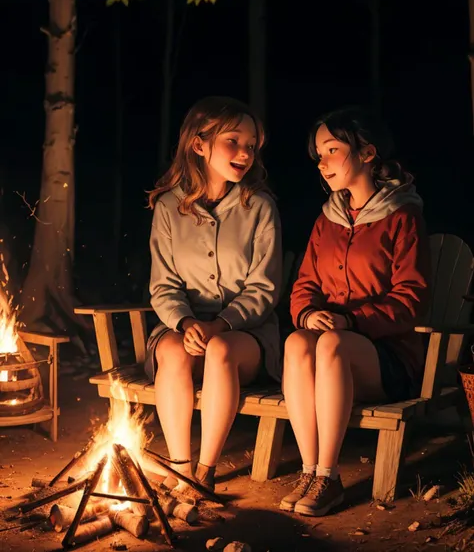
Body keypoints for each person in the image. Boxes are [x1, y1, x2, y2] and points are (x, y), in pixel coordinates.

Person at [280, 106, 431, 517]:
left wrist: (351, 321)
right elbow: (304, 286)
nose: (322, 162)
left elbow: (411, 298)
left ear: (367, 152)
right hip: (333, 350)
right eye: (318, 154)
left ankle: (329, 477)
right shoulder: (326, 220)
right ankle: (310, 470)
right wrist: (308, 314)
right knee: (298, 340)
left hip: (387, 359)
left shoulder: (403, 216)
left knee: (330, 344)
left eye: (331, 149)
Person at [145, 96, 282, 492]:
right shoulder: (169, 207)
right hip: (183, 330)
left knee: (220, 349)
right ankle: (180, 468)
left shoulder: (259, 208)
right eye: (233, 141)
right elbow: (163, 284)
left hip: (245, 337)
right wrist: (186, 322)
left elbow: (264, 287)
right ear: (199, 144)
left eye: (252, 145)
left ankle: (205, 472)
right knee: (172, 350)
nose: (245, 153)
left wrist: (220, 324)